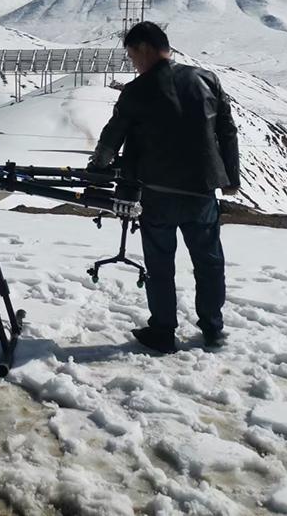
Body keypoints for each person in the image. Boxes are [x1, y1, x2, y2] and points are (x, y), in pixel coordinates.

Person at [89, 22, 239, 353]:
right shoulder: (207, 79)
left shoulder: (136, 91)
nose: (133, 63)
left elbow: (113, 136)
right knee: (209, 260)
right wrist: (230, 180)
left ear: (144, 48)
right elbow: (227, 131)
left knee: (160, 265)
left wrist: (97, 168)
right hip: (202, 190)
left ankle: (163, 330)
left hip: (157, 192)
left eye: (131, 56)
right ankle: (213, 328)